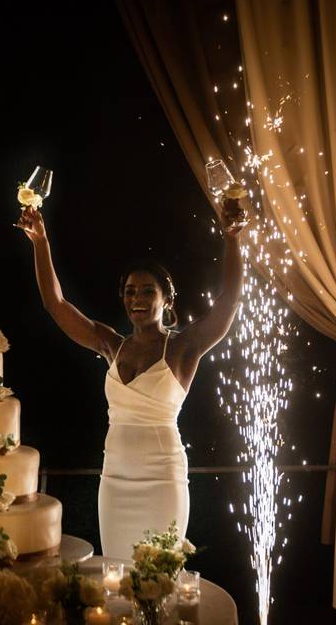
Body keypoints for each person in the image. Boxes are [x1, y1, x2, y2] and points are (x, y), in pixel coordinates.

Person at [17, 202, 246, 559]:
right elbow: (56, 304)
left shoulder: (184, 347)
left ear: (166, 299)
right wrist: (40, 241)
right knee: (116, 576)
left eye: (146, 291)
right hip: (115, 480)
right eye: (129, 291)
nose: (136, 299)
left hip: (163, 480)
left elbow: (228, 303)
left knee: (160, 575)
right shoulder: (112, 345)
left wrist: (232, 239)